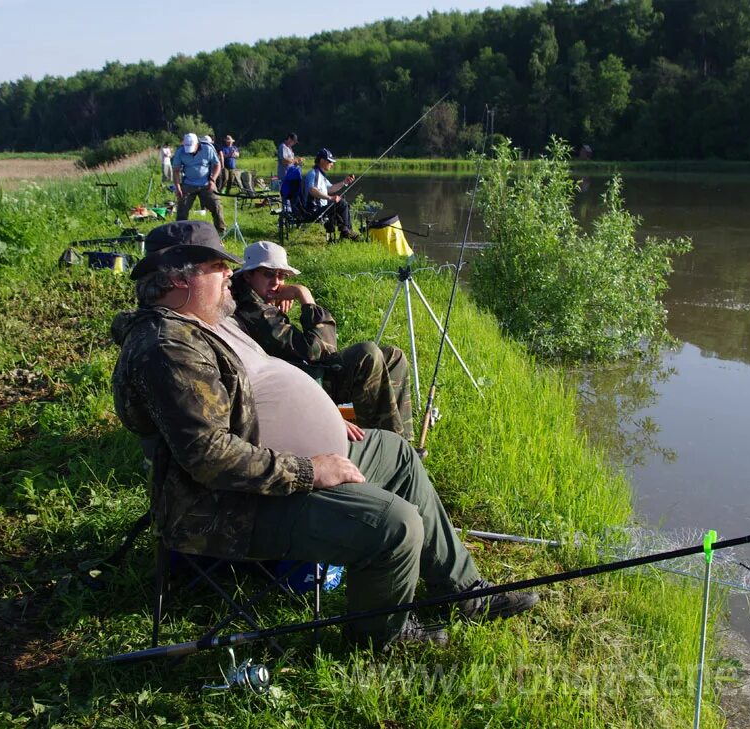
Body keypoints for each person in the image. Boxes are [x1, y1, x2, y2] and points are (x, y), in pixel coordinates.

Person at [110, 220, 539, 649]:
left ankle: (461, 591)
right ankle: (380, 637)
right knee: (396, 524)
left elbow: (270, 382)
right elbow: (209, 457)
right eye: (218, 266)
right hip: (232, 504)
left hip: (277, 469)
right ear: (180, 277)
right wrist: (309, 470)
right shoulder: (169, 348)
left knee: (397, 454)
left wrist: (323, 415)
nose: (229, 275)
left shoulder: (208, 322)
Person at [231, 240, 413, 441]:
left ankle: (400, 440)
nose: (276, 282)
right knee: (367, 354)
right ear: (248, 275)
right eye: (268, 274)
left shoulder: (255, 300)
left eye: (281, 275)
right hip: (303, 383)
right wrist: (305, 297)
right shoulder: (256, 313)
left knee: (394, 356)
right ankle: (389, 444)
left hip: (301, 370)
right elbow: (318, 350)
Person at [171, 132, 226, 236]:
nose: (190, 151)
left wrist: (213, 179)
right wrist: (178, 187)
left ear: (197, 144)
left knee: (216, 205)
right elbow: (176, 170)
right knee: (182, 209)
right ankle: (179, 233)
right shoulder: (180, 151)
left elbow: (217, 165)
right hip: (188, 184)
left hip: (206, 183)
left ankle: (221, 232)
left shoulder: (208, 149)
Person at [303, 148, 361, 240]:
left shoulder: (321, 175)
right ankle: (346, 232)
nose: (332, 164)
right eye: (330, 162)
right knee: (341, 203)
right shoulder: (314, 174)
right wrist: (330, 198)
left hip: (321, 208)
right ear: (322, 161)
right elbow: (312, 190)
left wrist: (344, 182)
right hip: (313, 210)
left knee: (343, 202)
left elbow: (330, 189)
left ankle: (346, 231)